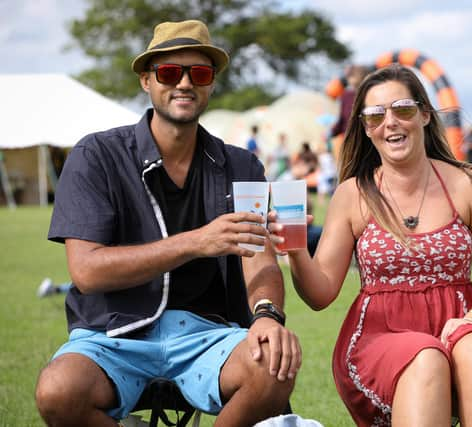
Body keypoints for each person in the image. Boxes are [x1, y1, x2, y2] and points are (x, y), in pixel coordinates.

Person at [34, 20, 300, 426]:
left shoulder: (242, 164)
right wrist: (196, 242)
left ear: (211, 84)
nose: (185, 83)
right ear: (146, 80)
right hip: (113, 334)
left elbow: (259, 260)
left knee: (274, 365)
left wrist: (267, 314)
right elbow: (86, 271)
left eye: (201, 73)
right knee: (57, 392)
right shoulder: (97, 155)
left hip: (206, 335)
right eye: (170, 72)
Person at [269, 64, 472, 426]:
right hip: (381, 337)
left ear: (425, 114)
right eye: (376, 115)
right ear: (365, 127)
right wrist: (297, 249)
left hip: (459, 323)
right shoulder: (353, 194)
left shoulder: (470, 185)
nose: (390, 122)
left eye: (403, 109)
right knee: (425, 355)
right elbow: (320, 295)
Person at [329, 65, 368, 159]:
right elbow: (342, 119)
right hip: (351, 137)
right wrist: (331, 132)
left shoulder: (368, 93)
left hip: (364, 136)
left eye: (352, 75)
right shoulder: (346, 95)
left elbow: (342, 119)